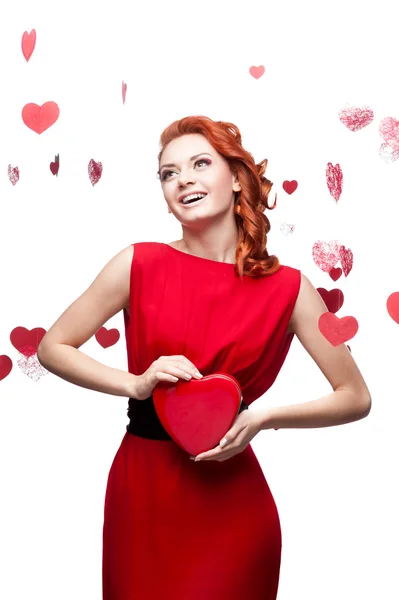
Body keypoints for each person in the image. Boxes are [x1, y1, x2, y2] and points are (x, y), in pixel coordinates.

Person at [37, 115, 372, 600]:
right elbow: (52, 346)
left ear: (236, 178)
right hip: (144, 494)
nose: (183, 179)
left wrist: (263, 417)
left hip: (234, 507)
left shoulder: (291, 288)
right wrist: (134, 384)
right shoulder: (138, 263)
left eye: (199, 163)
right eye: (168, 173)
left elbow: (356, 397)